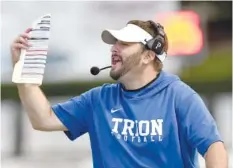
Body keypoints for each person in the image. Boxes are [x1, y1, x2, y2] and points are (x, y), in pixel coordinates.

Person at [11, 19, 228, 168]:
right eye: (114, 43)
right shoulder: (98, 99)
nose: (114, 48)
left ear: (148, 56)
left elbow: (213, 147)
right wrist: (24, 72)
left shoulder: (180, 96)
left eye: (124, 43)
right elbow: (43, 120)